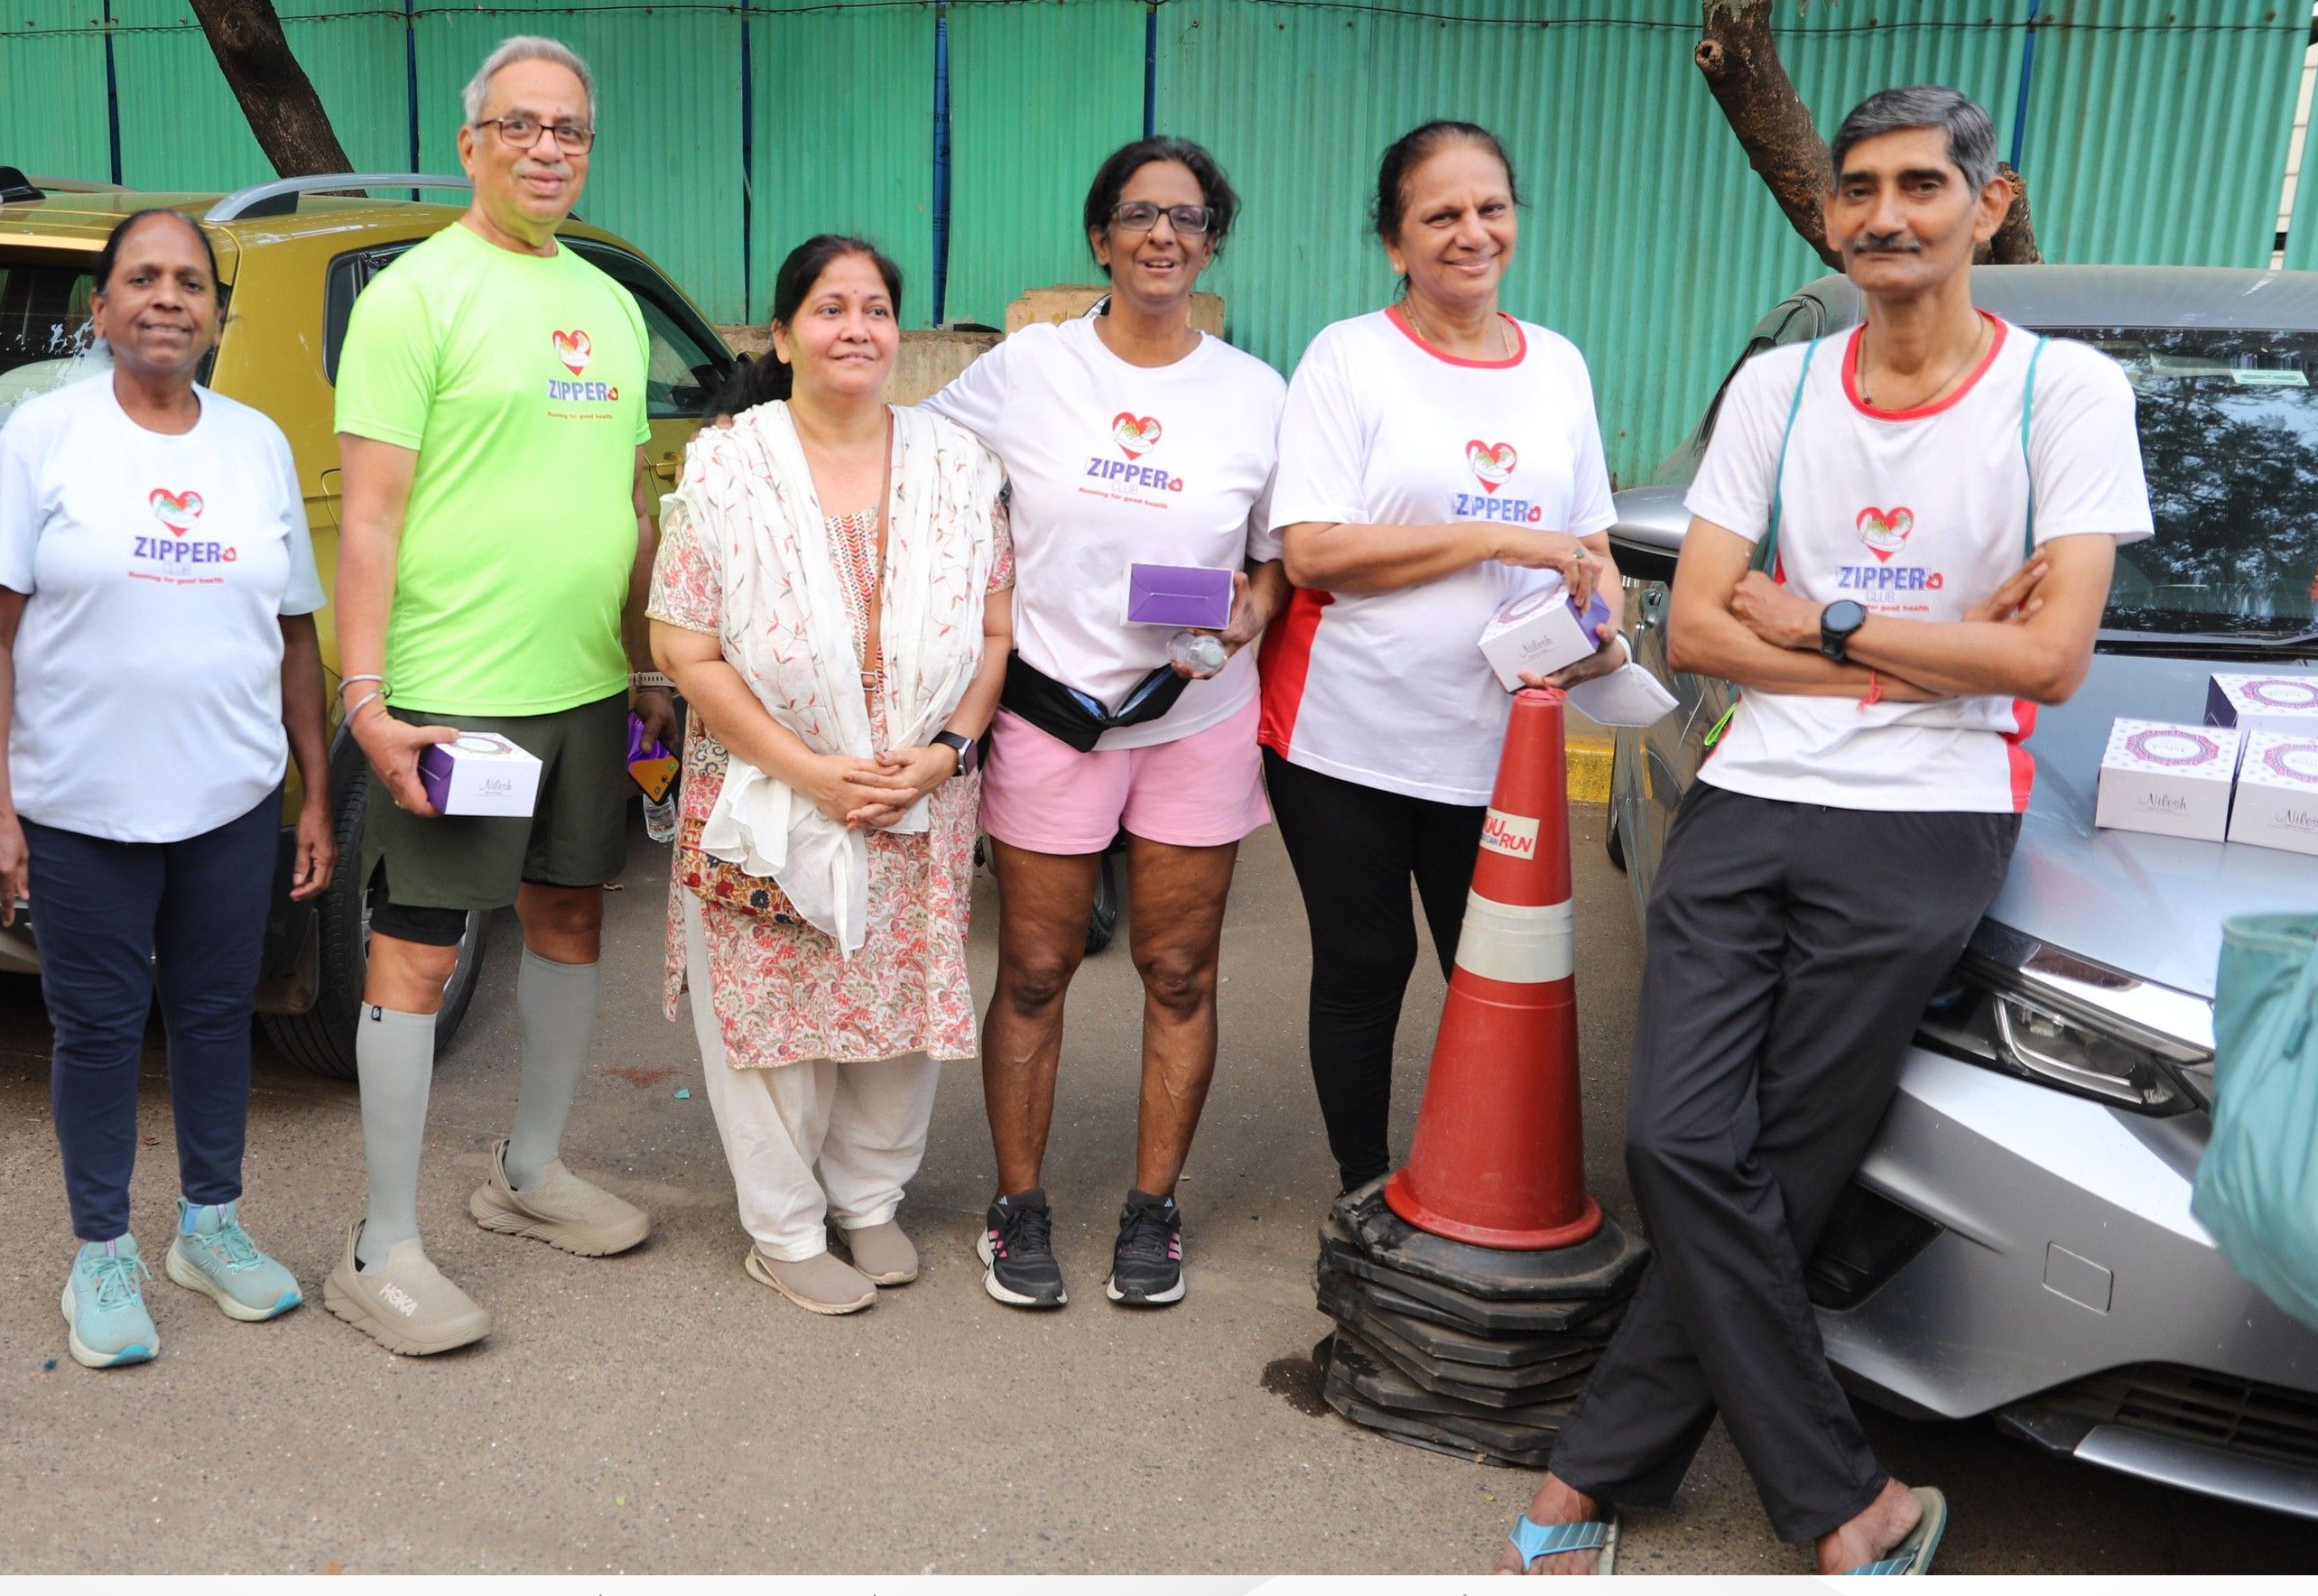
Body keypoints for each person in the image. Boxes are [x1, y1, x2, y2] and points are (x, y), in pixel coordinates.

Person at [1508, 86, 2149, 1576]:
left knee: (1788, 1157)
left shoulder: (2062, 394)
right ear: (1828, 211)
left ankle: (1593, 1471)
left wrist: (1831, 617)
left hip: (1932, 814)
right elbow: (1706, 630)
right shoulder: (1782, 391)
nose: (1885, 214)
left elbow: (2050, 658)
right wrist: (1938, 645)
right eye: (1858, 187)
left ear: (1989, 204)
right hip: (1755, 791)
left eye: (1922, 184)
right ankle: (1846, 1499)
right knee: (1677, 1139)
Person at [326, 34, 672, 1353]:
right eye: (520, 125)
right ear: (470, 143)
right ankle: (382, 1243)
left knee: (570, 919)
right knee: (419, 951)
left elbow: (628, 504)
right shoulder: (415, 297)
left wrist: (643, 665)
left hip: (585, 687)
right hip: (453, 690)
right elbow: (370, 516)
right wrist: (369, 699)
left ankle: (530, 1170)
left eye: (569, 129)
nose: (546, 148)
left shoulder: (610, 303)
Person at [0, 208, 337, 1369]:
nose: (167, 298)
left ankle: (210, 1227)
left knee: (218, 1016)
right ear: (102, 308)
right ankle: (102, 1253)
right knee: (99, 1027)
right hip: (80, 804)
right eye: (142, 279)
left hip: (230, 798)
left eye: (190, 282)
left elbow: (295, 633)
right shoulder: (44, 437)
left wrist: (316, 794)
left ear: (216, 314)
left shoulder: (256, 444)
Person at [918, 138, 1289, 1312]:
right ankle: (1018, 1205)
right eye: (1138, 214)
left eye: (1187, 217)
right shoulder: (1031, 368)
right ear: (1100, 237)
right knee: (1034, 970)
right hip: (1053, 714)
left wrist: (1251, 611)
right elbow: (913, 457)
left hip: (1194, 717)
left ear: (1211, 241)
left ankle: (1152, 1209)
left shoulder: (1255, 393)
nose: (1162, 235)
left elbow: (1275, 560)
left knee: (1178, 971)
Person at [1262, 121, 1627, 1198]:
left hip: (1502, 739)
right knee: (1367, 962)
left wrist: (1597, 620)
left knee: (1494, 965)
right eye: (1442, 215)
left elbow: (1592, 544)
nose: (1473, 233)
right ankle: (1363, 1188)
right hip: (1347, 733)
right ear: (1395, 241)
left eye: (1491, 208)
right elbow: (1312, 550)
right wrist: (1496, 538)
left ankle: (1477, 1183)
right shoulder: (1348, 359)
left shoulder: (1558, 365)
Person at [651, 236, 1013, 1313]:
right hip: (764, 792)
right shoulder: (727, 467)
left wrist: (945, 752)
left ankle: (869, 1199)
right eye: (828, 308)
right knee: (770, 1019)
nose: (856, 328)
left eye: (875, 309)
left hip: (914, 791)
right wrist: (810, 771)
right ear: (781, 334)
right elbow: (684, 648)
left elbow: (996, 633)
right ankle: (784, 1229)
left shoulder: (960, 467)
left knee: (895, 1007)